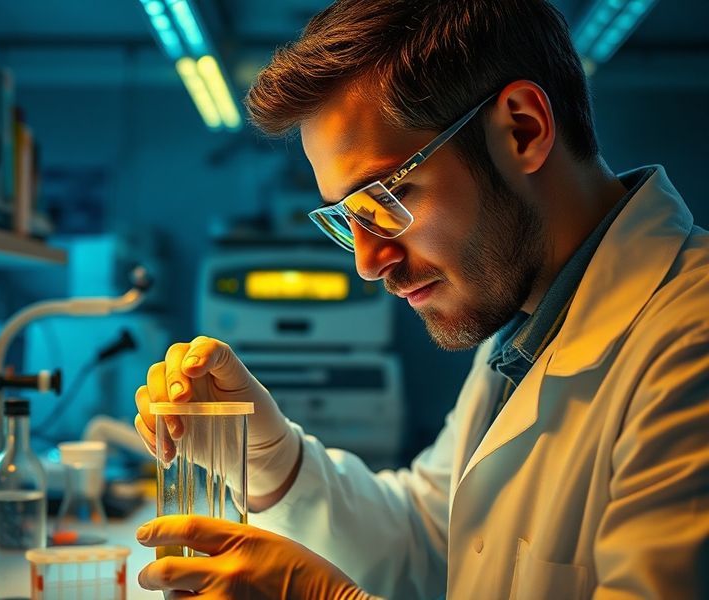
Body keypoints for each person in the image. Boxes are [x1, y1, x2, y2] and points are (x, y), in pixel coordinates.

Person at [133, 0, 709, 598]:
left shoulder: (690, 345)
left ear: (523, 129)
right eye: (347, 218)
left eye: (385, 199)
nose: (367, 262)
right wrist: (271, 458)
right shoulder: (528, 328)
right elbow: (435, 538)